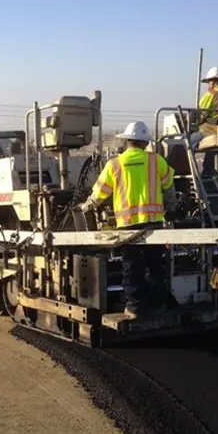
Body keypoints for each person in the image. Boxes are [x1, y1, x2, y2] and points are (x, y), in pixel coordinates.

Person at [79, 121, 175, 318]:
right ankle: (158, 305)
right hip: (153, 224)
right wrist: (171, 210)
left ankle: (135, 307)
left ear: (127, 142)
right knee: (156, 266)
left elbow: (99, 194)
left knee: (132, 267)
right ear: (145, 143)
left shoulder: (114, 165)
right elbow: (169, 187)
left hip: (128, 226)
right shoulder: (156, 161)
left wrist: (86, 206)